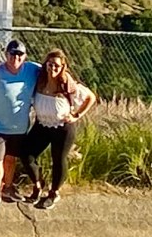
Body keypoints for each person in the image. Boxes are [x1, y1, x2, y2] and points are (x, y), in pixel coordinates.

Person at [24, 48, 97, 209]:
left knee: (58, 160)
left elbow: (90, 97)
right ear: (46, 65)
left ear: (63, 66)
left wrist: (77, 115)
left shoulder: (67, 84)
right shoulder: (39, 80)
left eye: (57, 65)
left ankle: (54, 192)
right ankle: (38, 184)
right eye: (50, 64)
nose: (53, 68)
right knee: (27, 154)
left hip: (63, 128)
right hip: (41, 124)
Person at [0, 39, 38, 220]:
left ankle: (8, 187)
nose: (15, 58)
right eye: (12, 54)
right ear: (6, 55)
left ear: (25, 56)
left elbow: (54, 73)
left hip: (19, 127)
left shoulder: (33, 70)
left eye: (19, 54)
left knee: (11, 160)